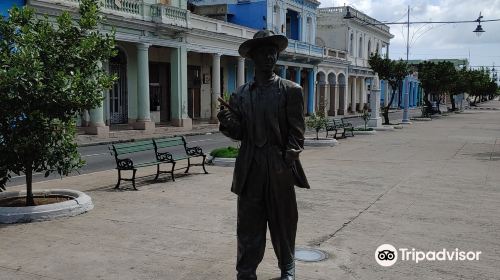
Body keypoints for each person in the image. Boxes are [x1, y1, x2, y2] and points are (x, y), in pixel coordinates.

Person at [217, 30, 310, 280]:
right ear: (253, 58)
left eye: (273, 52)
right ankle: (246, 271)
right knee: (248, 224)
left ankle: (287, 267)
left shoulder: (291, 90)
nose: (270, 57)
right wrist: (227, 122)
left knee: (283, 221)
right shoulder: (240, 95)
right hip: (250, 167)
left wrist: (288, 157)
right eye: (264, 53)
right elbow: (239, 133)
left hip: (278, 166)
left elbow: (297, 131)